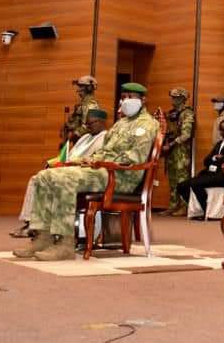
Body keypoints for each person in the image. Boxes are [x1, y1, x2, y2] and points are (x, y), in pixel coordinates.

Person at [13, 83, 160, 261]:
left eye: (131, 97)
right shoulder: (120, 123)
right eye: (124, 97)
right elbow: (105, 149)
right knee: (44, 176)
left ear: (143, 100)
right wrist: (87, 160)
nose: (126, 101)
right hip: (102, 170)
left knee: (65, 179)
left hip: (121, 176)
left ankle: (65, 244)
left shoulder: (148, 124)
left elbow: (135, 157)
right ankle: (42, 237)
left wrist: (101, 162)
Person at [10, 108, 109, 238]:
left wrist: (72, 163)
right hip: (69, 167)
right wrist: (56, 162)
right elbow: (70, 154)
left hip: (83, 171)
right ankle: (32, 223)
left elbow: (96, 159)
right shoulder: (85, 137)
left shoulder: (106, 138)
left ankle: (52, 230)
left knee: (57, 180)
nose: (88, 127)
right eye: (87, 124)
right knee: (37, 178)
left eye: (91, 123)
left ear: (101, 122)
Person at [178, 119, 224, 218]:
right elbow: (206, 160)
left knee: (195, 184)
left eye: (223, 129)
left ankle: (206, 210)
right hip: (211, 173)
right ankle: (200, 209)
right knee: (182, 186)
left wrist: (215, 160)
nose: (221, 132)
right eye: (220, 130)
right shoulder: (219, 143)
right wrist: (215, 158)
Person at [159, 87, 195, 217]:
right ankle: (173, 205)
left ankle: (184, 206)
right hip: (171, 151)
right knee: (172, 180)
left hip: (181, 151)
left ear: (182, 99)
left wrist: (172, 144)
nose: (172, 100)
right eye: (172, 97)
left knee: (182, 180)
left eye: (175, 97)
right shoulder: (172, 113)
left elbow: (186, 135)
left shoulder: (187, 113)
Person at [63, 75, 99, 144]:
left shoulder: (91, 105)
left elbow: (87, 126)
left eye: (80, 86)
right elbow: (78, 122)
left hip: (85, 143)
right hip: (80, 142)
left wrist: (74, 135)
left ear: (88, 88)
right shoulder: (83, 104)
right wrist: (70, 126)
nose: (78, 89)